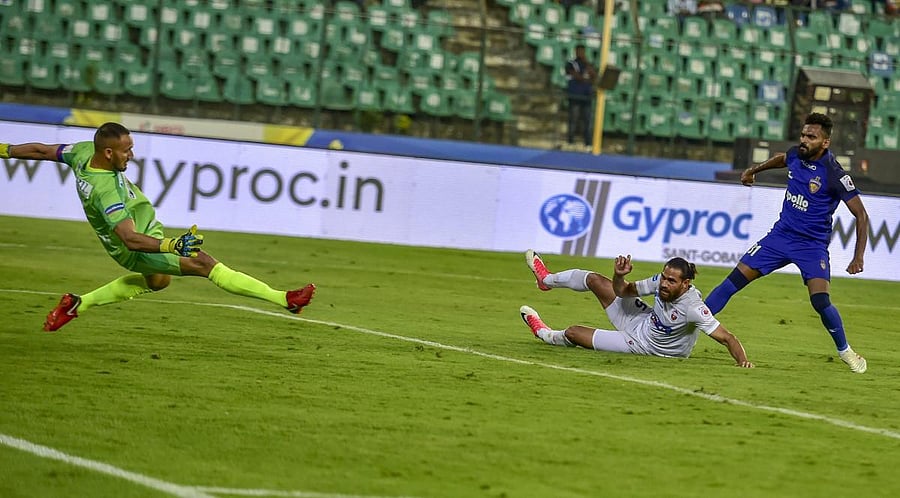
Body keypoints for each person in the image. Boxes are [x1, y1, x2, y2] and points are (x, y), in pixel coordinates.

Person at [0, 123, 316, 332]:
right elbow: (130, 240)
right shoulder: (105, 191)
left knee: (159, 282)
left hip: (141, 233)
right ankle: (284, 299)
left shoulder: (82, 152)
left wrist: (5, 150)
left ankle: (76, 305)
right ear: (108, 153)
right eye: (126, 151)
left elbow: (42, 151)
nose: (132, 155)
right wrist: (170, 245)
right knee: (203, 262)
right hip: (136, 244)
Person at [703, 113, 869, 373]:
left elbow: (861, 214)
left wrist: (858, 257)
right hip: (779, 237)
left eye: (811, 137)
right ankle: (687, 326)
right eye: (803, 135)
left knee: (820, 301)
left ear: (825, 142)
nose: (804, 140)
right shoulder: (796, 155)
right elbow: (782, 158)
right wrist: (754, 170)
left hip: (811, 246)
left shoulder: (834, 174)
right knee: (732, 281)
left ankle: (846, 351)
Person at [520, 250, 754, 367]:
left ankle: (543, 333)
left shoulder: (693, 308)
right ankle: (546, 280)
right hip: (643, 321)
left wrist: (743, 363)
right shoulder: (658, 282)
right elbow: (623, 291)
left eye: (671, 281)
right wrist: (618, 276)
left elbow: (727, 338)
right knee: (595, 280)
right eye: (664, 277)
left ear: (685, 284)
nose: (664, 283)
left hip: (646, 347)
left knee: (573, 332)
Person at [564, 44, 597, 148]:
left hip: (586, 96)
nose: (580, 53)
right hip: (575, 96)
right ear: (575, 51)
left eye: (582, 51)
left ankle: (588, 144)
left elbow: (594, 76)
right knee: (573, 120)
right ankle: (570, 142)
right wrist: (587, 79)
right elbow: (576, 76)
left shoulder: (588, 64)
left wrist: (587, 64)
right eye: (579, 51)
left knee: (587, 121)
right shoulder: (571, 64)